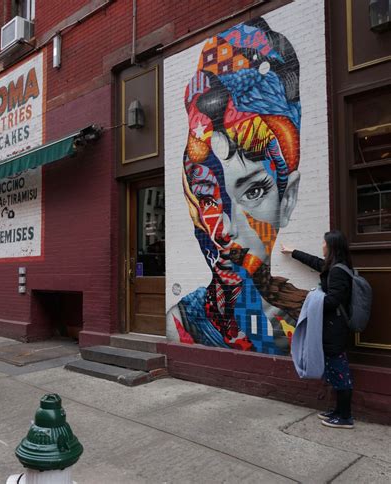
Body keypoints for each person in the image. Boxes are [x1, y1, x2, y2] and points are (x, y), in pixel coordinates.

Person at [166, 17, 308, 355]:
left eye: (254, 192)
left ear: (286, 201)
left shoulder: (302, 320)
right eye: (209, 197)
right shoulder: (183, 323)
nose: (225, 228)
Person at [281, 230, 354, 429]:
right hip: (331, 327)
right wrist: (293, 252)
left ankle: (345, 416)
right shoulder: (334, 267)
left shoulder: (338, 271)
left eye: (324, 242)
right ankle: (338, 411)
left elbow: (333, 301)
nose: (322, 245)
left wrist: (313, 296)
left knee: (340, 371)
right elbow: (316, 263)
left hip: (335, 328)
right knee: (333, 368)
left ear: (331, 246)